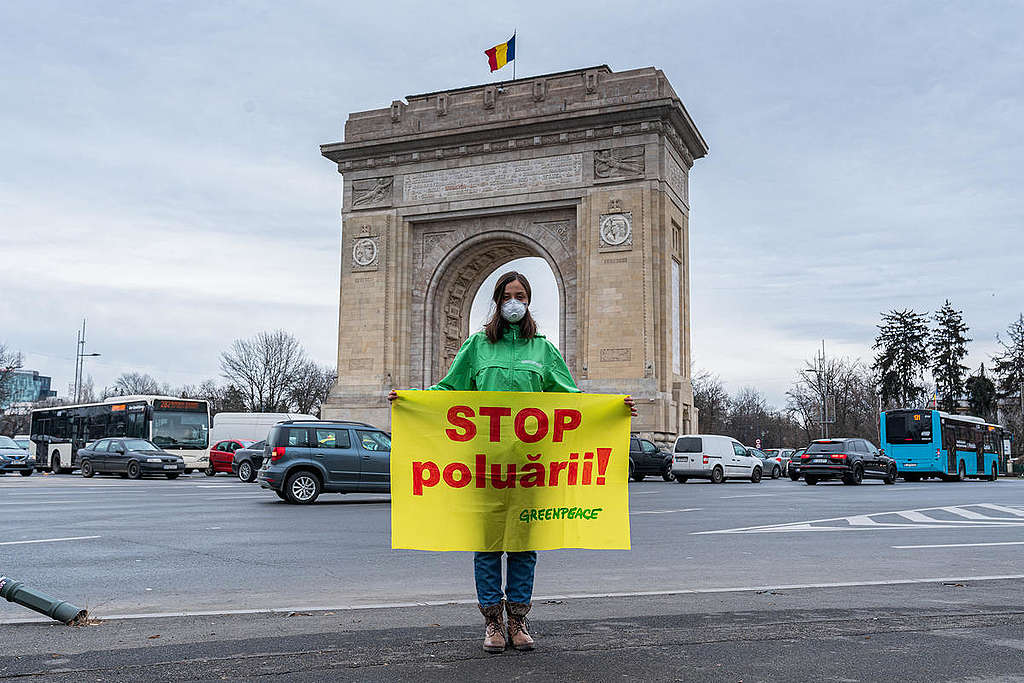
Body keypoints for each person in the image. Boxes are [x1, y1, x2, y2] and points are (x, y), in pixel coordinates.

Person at [389, 270, 636, 653]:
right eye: (507, 296)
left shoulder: (544, 350)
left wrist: (613, 409)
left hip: (529, 468)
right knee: (487, 546)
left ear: (529, 301)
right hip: (485, 466)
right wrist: (410, 399)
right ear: (498, 301)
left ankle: (518, 621)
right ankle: (492, 624)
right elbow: (448, 391)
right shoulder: (476, 347)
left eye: (520, 295)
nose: (514, 302)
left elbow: (570, 400)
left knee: (522, 545)